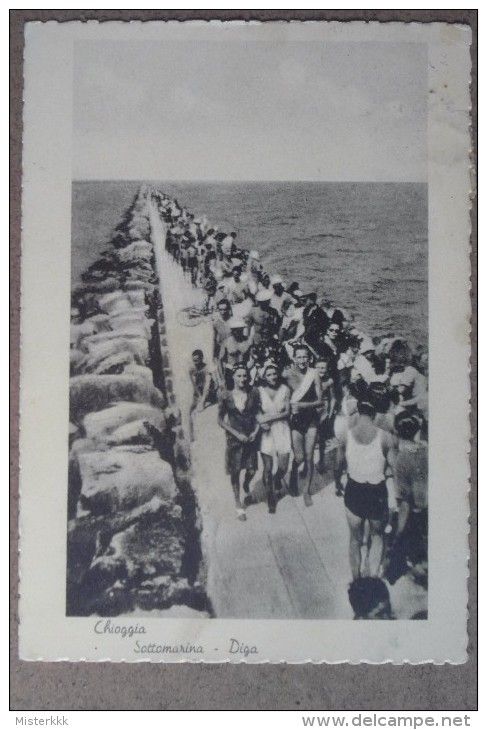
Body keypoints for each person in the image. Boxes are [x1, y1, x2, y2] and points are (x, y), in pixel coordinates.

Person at [336, 395, 396, 581]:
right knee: (377, 537)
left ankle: (356, 581)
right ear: (375, 413)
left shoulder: (346, 434)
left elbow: (338, 465)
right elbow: (393, 468)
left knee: (355, 539)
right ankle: (371, 580)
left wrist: (338, 482)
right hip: (376, 492)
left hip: (354, 489)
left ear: (359, 411)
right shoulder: (385, 437)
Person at [218, 365, 261, 521]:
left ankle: (246, 485)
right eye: (239, 376)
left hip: (250, 438)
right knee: (235, 471)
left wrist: (256, 432)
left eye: (245, 376)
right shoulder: (225, 395)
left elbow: (257, 413)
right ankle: (238, 503)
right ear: (233, 377)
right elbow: (220, 420)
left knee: (252, 470)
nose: (242, 379)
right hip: (234, 440)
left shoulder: (254, 392)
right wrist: (236, 434)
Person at [286, 344, 323, 506]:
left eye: (305, 357)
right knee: (299, 457)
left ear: (309, 358)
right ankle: (294, 474)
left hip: (311, 419)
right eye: (299, 357)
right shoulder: (287, 374)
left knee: (309, 457)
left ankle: (307, 491)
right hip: (295, 420)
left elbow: (320, 401)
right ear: (294, 358)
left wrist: (303, 406)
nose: (302, 360)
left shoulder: (314, 374)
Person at [255, 361, 292, 513]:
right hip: (267, 431)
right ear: (264, 376)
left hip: (282, 429)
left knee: (283, 467)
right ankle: (271, 497)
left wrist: (268, 418)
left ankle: (277, 480)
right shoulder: (259, 391)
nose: (272, 377)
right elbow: (256, 412)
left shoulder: (285, 389)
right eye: (269, 374)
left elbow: (287, 412)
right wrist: (261, 421)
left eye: (274, 373)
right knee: (268, 468)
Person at [315, 356, 337, 477]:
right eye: (318, 367)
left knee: (322, 438)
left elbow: (333, 398)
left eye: (324, 367)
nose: (321, 370)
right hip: (312, 410)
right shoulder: (311, 379)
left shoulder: (329, 381)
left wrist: (330, 413)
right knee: (312, 438)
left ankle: (321, 461)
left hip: (324, 410)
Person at [188, 349, 216, 441]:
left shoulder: (207, 369)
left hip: (208, 394)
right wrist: (199, 396)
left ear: (201, 359)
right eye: (193, 360)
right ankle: (192, 436)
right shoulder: (192, 370)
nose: (195, 362)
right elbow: (194, 384)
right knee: (190, 412)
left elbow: (207, 387)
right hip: (198, 394)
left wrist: (203, 400)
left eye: (197, 360)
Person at [218, 318, 253, 390]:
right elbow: (220, 360)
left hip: (244, 371)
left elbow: (253, 357)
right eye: (235, 330)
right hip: (230, 370)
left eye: (240, 329)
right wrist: (222, 379)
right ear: (232, 330)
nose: (238, 332)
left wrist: (249, 368)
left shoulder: (247, 341)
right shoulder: (226, 342)